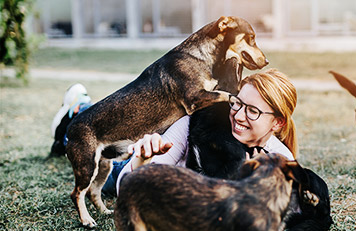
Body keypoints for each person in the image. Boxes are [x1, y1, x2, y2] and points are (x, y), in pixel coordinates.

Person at [51, 68, 298, 196]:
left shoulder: (281, 160)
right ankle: (78, 106)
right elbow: (126, 188)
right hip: (140, 171)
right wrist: (141, 161)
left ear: (277, 123)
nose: (239, 115)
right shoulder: (200, 122)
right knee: (90, 150)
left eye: (253, 111)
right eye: (237, 103)